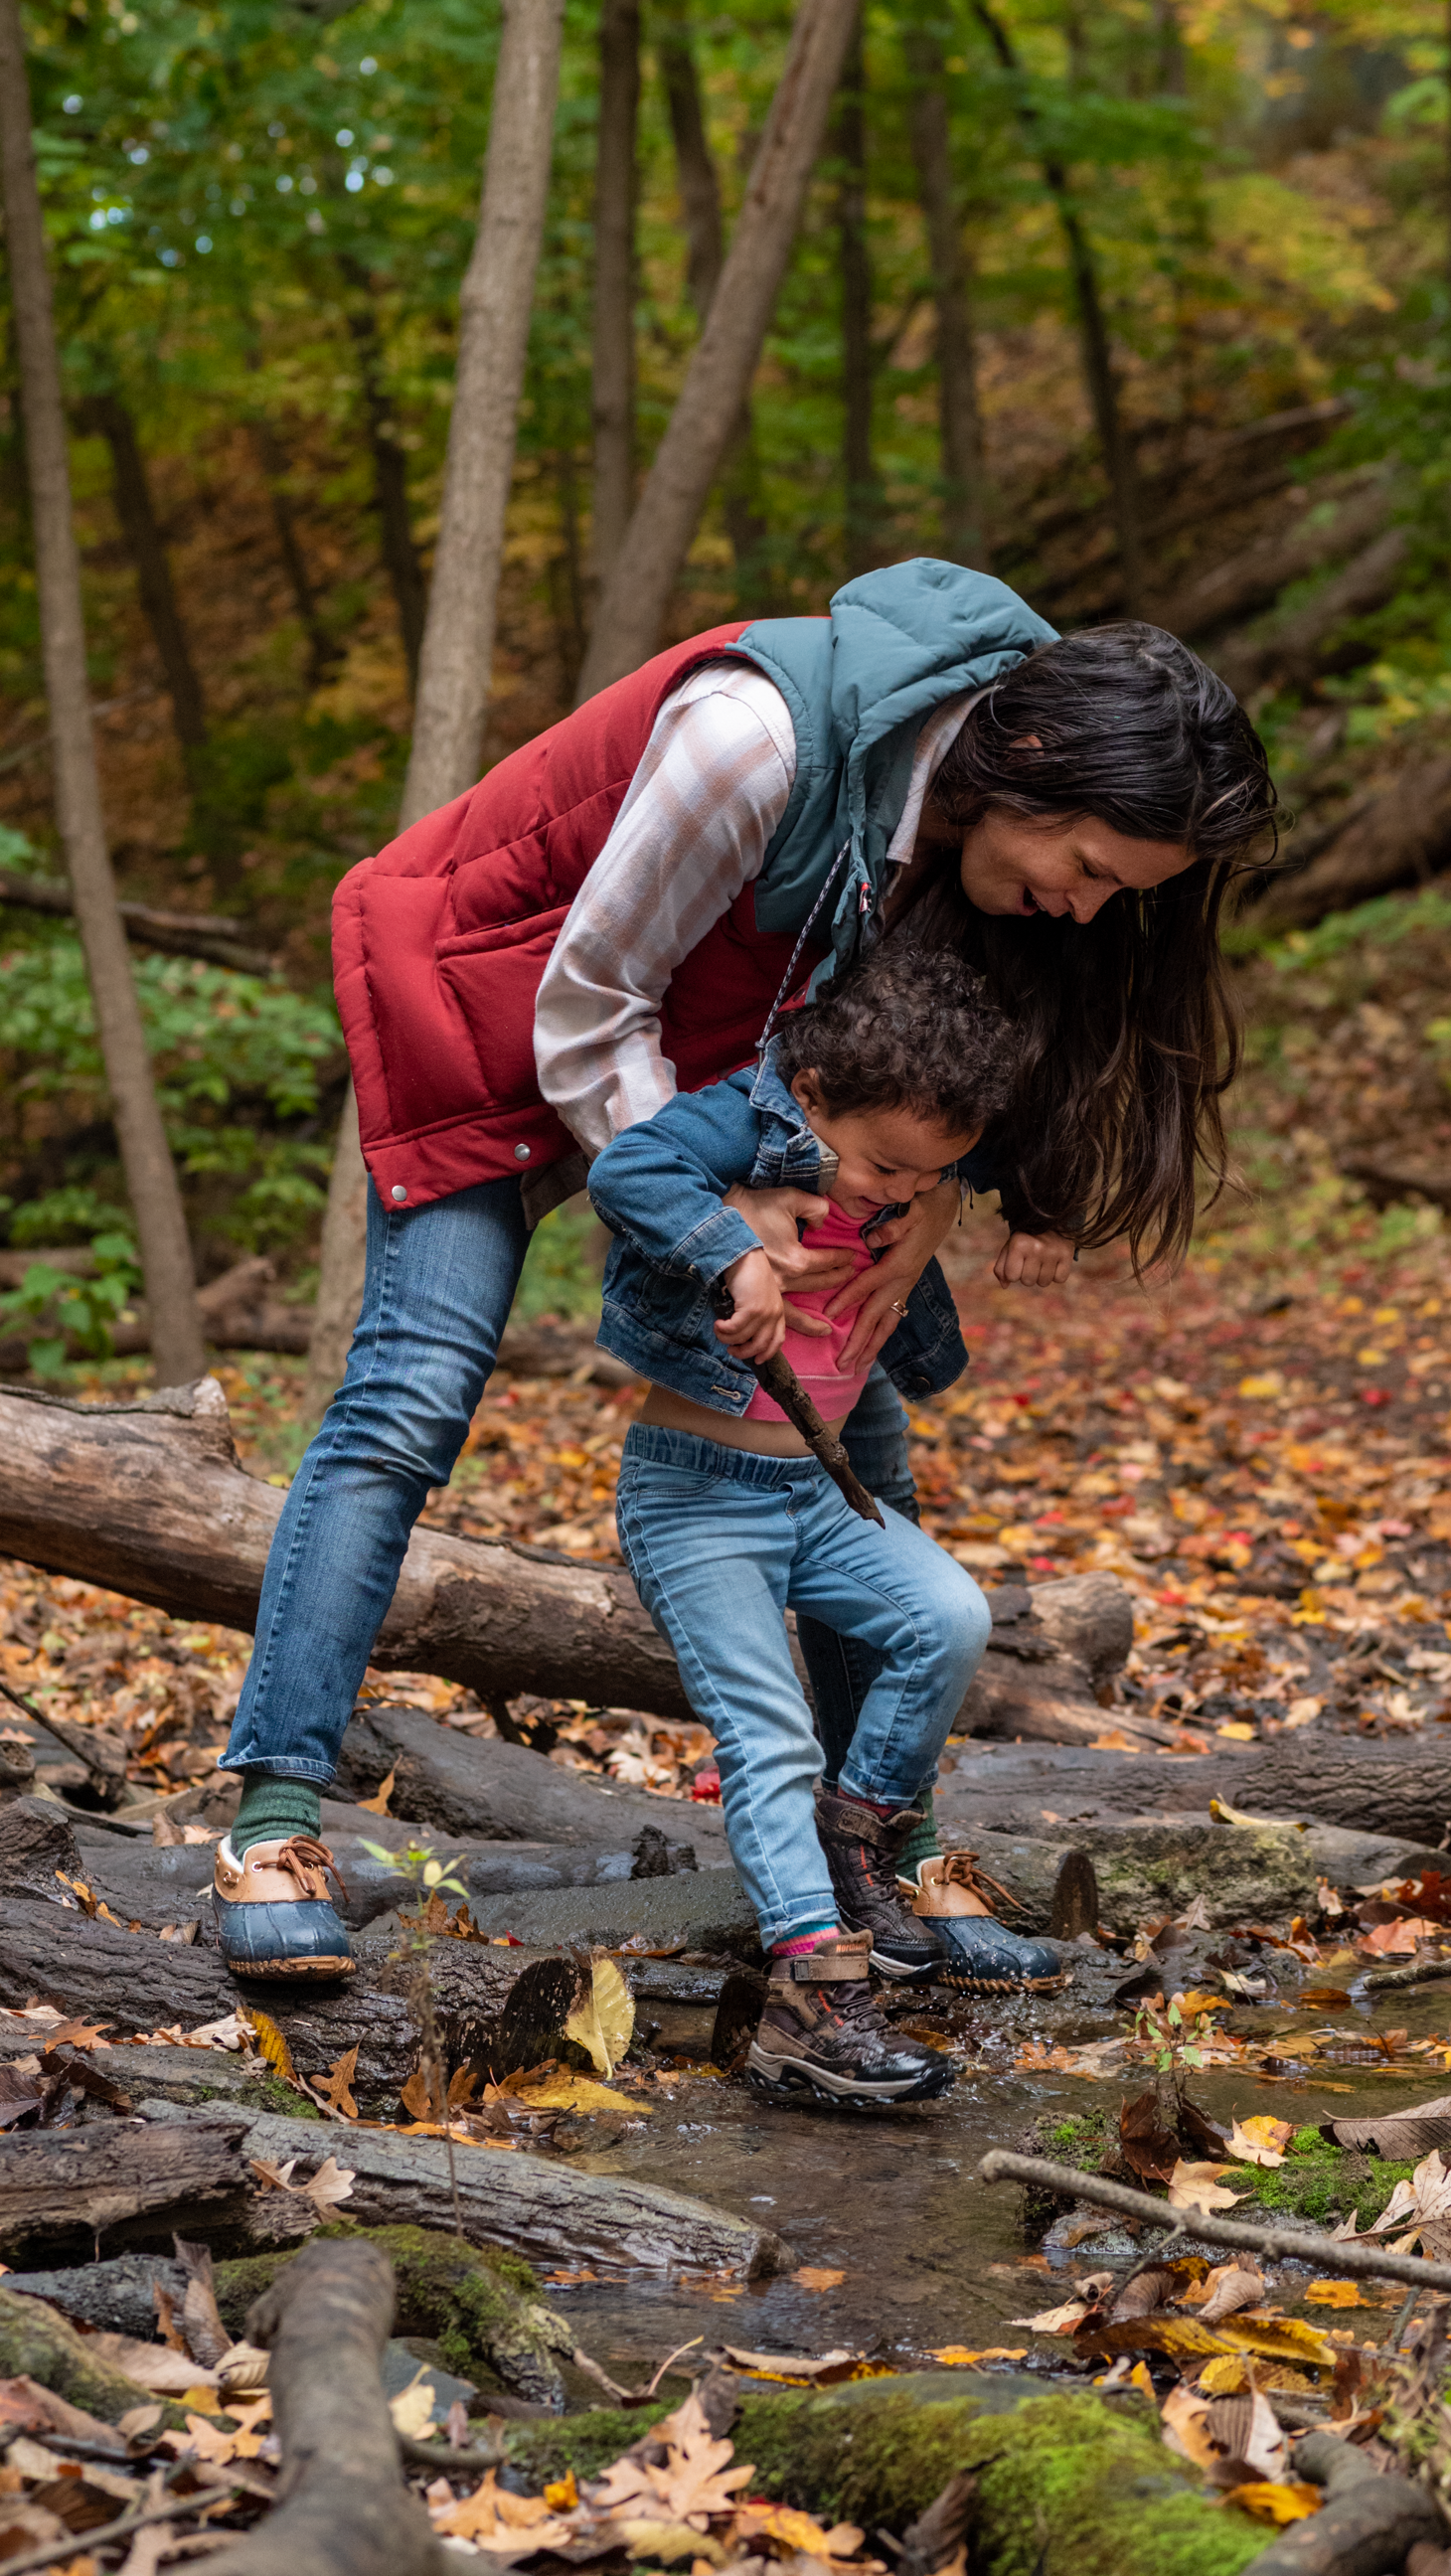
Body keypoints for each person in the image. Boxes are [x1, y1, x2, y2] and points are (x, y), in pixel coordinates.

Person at [211, 558, 1277, 1982]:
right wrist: (716, 1227)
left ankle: (880, 1847)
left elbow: (928, 1035)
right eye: (1086, 869)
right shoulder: (756, 739)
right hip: (490, 1006)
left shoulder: (970, 806)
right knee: (408, 1402)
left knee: (868, 1407)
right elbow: (588, 1013)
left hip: (710, 1062)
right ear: (1025, 760)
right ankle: (272, 1827)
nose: (1085, 909)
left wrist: (938, 1197)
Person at [587, 944, 1062, 2107]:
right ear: (808, 1101)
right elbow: (627, 1168)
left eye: (925, 1176)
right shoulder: (736, 1127)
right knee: (769, 1737)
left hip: (814, 1486)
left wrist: (1028, 1211)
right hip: (695, 1496)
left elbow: (1018, 1137)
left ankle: (853, 1843)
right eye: (883, 1167)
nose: (895, 1194)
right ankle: (811, 1993)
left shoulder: (911, 1166)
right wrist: (729, 1251)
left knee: (948, 1614)